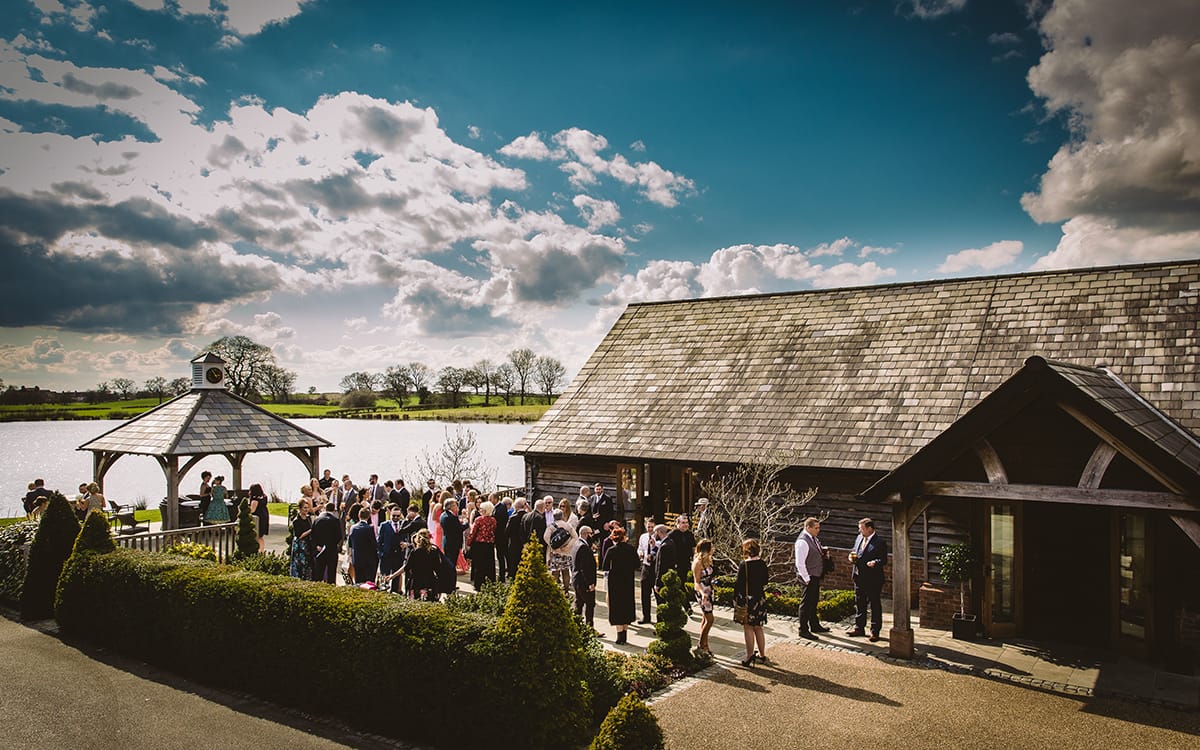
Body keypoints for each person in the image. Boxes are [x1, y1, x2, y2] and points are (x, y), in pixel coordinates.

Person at [847, 517, 888, 642]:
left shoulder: (879, 542)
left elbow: (883, 560)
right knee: (860, 603)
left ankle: (875, 631)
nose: (860, 532)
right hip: (859, 577)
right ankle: (859, 627)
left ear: (870, 529)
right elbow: (855, 551)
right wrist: (851, 556)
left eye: (862, 529)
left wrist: (875, 562)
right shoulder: (859, 538)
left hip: (873, 579)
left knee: (874, 605)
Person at [734, 538, 770, 667]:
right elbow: (765, 581)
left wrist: (736, 599)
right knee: (758, 627)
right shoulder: (762, 563)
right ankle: (762, 654)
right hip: (760, 598)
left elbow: (739, 584)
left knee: (748, 627)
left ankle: (749, 655)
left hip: (748, 599)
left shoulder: (744, 565)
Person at [601, 525, 639, 644]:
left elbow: (605, 566)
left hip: (615, 580)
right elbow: (637, 564)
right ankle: (625, 635)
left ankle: (619, 636)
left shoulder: (611, 550)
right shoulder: (631, 549)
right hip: (627, 580)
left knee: (617, 606)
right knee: (626, 605)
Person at [794, 516, 831, 639]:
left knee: (813, 601)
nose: (818, 530)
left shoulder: (813, 538)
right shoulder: (802, 542)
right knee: (806, 603)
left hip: (815, 575)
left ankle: (814, 625)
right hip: (808, 576)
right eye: (816, 528)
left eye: (819, 527)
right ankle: (803, 629)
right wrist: (807, 579)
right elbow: (800, 563)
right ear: (808, 527)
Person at [666, 515, 696, 613]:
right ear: (677, 524)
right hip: (674, 564)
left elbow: (693, 549)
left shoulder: (690, 535)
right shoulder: (672, 535)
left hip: (685, 563)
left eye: (687, 523)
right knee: (680, 585)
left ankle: (680, 606)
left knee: (681, 585)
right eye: (683, 523)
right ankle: (687, 606)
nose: (685, 525)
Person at [401, 528, 441, 601]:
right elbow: (438, 569)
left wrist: (393, 576)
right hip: (430, 582)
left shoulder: (414, 552)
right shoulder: (434, 552)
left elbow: (406, 567)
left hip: (416, 583)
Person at [692, 538, 716, 656]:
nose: (714, 548)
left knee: (705, 618)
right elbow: (696, 582)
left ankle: (705, 645)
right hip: (702, 591)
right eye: (712, 546)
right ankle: (701, 645)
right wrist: (703, 594)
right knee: (710, 619)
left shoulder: (709, 560)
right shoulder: (697, 562)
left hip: (709, 589)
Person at [544, 510, 578, 593]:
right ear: (562, 516)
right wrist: (567, 547)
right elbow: (575, 537)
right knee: (566, 572)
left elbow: (546, 537)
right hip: (566, 553)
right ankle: (566, 591)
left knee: (555, 572)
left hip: (555, 553)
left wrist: (554, 547)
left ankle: (554, 591)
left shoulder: (551, 527)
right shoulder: (568, 525)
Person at [311, 502, 343, 584]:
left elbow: (313, 535)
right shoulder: (336, 521)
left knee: (318, 572)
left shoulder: (317, 520)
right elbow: (339, 536)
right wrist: (333, 544)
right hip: (332, 550)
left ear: (325, 509)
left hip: (320, 549)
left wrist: (317, 545)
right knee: (331, 572)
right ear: (334, 510)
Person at [468, 500, 497, 590]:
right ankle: (490, 584)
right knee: (489, 564)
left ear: (485, 510)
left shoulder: (479, 519)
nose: (480, 510)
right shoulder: (493, 520)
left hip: (479, 544)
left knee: (479, 565)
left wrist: (469, 543)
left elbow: (473, 532)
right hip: (489, 544)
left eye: (481, 509)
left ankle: (478, 585)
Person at [572, 525, 597, 628]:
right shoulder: (583, 547)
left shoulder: (577, 544)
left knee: (579, 603)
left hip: (577, 579)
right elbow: (585, 568)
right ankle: (589, 627)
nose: (592, 536)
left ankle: (576, 626)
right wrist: (590, 583)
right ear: (586, 534)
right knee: (590, 604)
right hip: (583, 582)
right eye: (591, 534)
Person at [637, 520, 660, 624]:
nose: (650, 529)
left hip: (655, 568)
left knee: (658, 594)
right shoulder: (643, 537)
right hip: (646, 566)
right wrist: (640, 553)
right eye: (648, 527)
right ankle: (646, 616)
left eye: (652, 527)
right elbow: (640, 548)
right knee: (645, 593)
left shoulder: (659, 538)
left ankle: (660, 618)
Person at [289, 495, 314, 579]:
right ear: (300, 508)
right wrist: (311, 530)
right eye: (304, 508)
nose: (306, 510)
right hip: (300, 545)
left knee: (308, 564)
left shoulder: (308, 518)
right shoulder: (296, 521)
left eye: (307, 508)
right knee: (300, 564)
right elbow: (299, 535)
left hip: (308, 544)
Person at [506, 498, 529, 577]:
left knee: (513, 565)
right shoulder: (528, 516)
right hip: (525, 544)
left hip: (513, 544)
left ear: (516, 507)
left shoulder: (513, 518)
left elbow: (507, 532)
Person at [492, 495, 510, 581]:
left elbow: (499, 522)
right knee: (505, 555)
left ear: (495, 499)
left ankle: (502, 575)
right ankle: (508, 572)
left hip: (500, 536)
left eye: (491, 499)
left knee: (501, 556)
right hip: (502, 536)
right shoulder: (501, 507)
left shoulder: (500, 508)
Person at [248, 483, 269, 553]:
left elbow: (252, 510)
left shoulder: (255, 499)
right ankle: (262, 550)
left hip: (258, 518)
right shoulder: (264, 497)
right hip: (264, 516)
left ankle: (259, 551)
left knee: (257, 536)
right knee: (261, 536)